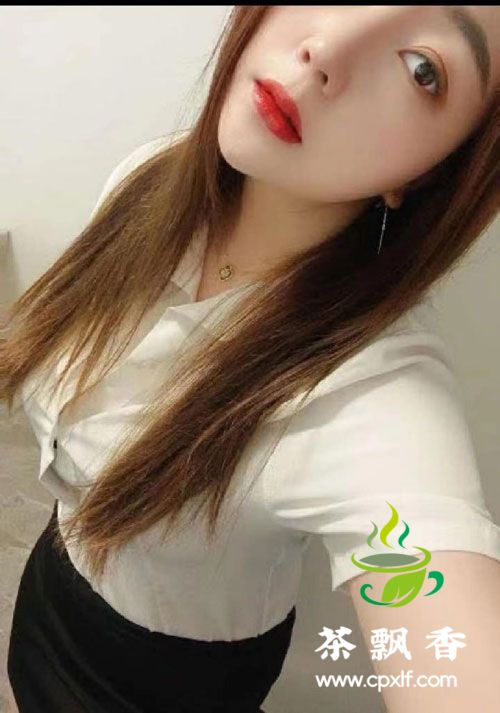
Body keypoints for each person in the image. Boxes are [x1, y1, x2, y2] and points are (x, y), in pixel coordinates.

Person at [2, 6, 500, 713]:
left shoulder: (371, 393)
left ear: (432, 172)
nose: (326, 47)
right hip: (50, 587)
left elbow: (454, 646)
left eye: (423, 68)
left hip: (167, 683)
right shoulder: (149, 178)